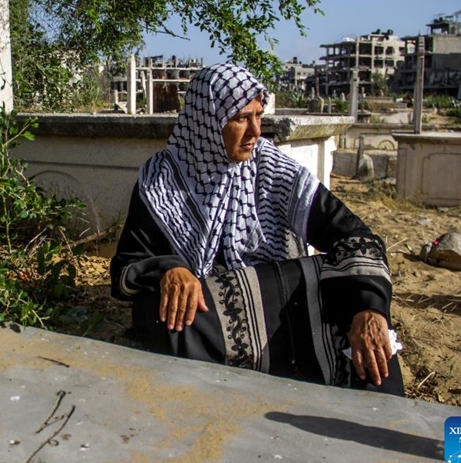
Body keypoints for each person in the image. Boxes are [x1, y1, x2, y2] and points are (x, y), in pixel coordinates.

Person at [110, 63, 404, 396]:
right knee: (167, 312)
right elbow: (127, 267)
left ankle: (382, 419)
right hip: (211, 318)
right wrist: (170, 268)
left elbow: (354, 236)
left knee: (353, 292)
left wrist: (370, 308)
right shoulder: (161, 180)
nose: (255, 132)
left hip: (277, 301)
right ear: (208, 122)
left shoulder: (271, 168)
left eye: (258, 116)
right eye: (240, 119)